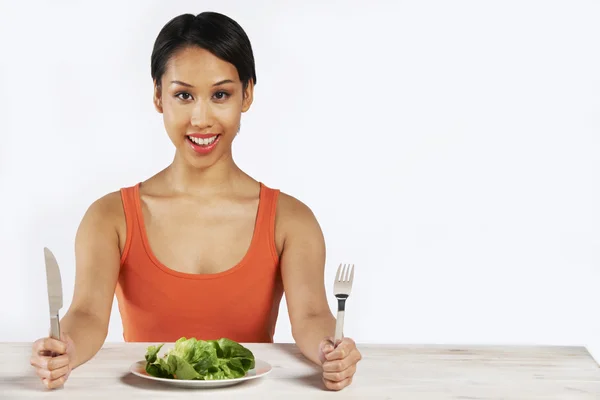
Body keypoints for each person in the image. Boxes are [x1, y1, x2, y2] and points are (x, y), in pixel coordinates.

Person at [29, 11, 361, 391]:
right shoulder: (110, 217)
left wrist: (329, 350)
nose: (201, 118)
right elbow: (86, 313)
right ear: (158, 96)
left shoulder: (291, 220)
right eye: (183, 95)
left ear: (247, 94)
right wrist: (66, 348)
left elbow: (313, 314)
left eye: (220, 94)